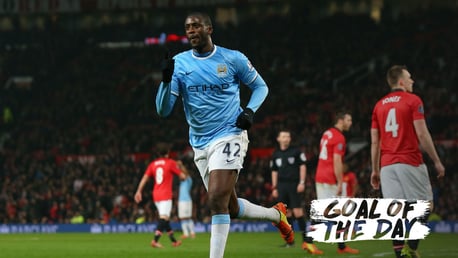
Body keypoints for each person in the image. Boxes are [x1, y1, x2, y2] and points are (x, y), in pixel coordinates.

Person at [155, 12, 293, 258]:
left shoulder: (232, 58)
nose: (191, 31)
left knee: (216, 199)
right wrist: (166, 81)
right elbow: (163, 110)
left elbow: (261, 86)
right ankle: (276, 215)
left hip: (230, 133)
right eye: (187, 27)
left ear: (209, 29)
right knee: (230, 206)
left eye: (196, 26)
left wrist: (250, 111)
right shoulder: (180, 64)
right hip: (200, 142)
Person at [370, 65, 445, 258]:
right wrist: (436, 160)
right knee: (427, 205)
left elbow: (375, 141)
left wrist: (375, 169)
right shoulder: (413, 100)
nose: (412, 81)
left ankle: (400, 253)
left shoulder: (379, 105)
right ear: (401, 81)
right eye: (409, 78)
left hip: (387, 165)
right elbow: (421, 132)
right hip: (409, 160)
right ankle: (411, 245)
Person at [312, 111, 359, 255]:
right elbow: (337, 161)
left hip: (321, 173)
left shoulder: (327, 133)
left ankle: (341, 246)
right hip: (328, 177)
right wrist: (340, 181)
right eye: (348, 120)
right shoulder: (339, 137)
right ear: (340, 120)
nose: (350, 123)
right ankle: (308, 241)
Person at [134, 146, 186, 248]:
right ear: (167, 152)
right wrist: (179, 167)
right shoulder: (170, 163)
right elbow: (183, 177)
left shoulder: (153, 164)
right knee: (164, 218)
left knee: (165, 219)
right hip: (166, 194)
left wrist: (138, 191)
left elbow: (145, 178)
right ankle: (155, 240)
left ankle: (174, 241)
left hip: (156, 194)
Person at [270, 130, 312, 249]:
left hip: (294, 184)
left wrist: (302, 182)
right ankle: (290, 242)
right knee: (286, 213)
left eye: (288, 136)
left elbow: (303, 166)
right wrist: (274, 187)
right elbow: (274, 171)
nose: (286, 138)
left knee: (298, 212)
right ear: (278, 139)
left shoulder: (296, 151)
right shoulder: (276, 154)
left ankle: (306, 241)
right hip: (281, 186)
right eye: (284, 136)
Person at [178, 163, 196, 239]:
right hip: (183, 201)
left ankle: (190, 233)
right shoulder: (182, 182)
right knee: (184, 217)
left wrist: (181, 165)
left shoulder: (188, 180)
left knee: (186, 217)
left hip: (185, 201)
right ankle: (188, 233)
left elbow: (185, 173)